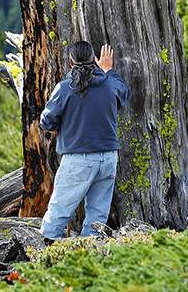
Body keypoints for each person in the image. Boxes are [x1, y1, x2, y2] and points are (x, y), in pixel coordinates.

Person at [39, 41, 131, 241]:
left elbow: (46, 121)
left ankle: (45, 253)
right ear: (94, 60)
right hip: (108, 157)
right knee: (97, 217)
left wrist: (62, 127)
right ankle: (90, 255)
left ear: (70, 62)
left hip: (78, 158)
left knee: (59, 211)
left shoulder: (65, 88)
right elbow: (124, 94)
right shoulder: (109, 84)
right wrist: (108, 71)